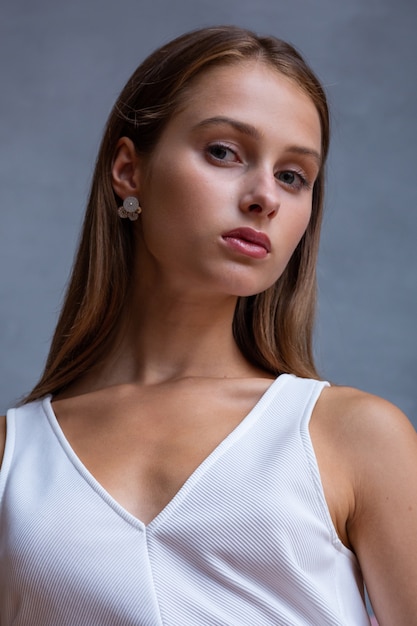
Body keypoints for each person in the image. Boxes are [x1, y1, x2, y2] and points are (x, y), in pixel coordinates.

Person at [0, 25, 416, 625]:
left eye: (293, 176)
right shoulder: (14, 458)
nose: (264, 197)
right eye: (224, 151)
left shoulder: (356, 438)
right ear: (128, 171)